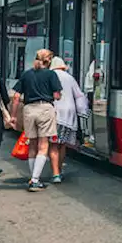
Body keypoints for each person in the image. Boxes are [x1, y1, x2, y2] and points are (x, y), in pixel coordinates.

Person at [13, 49, 63, 192]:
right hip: (45, 109)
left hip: (29, 110)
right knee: (43, 146)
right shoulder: (51, 74)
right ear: (49, 60)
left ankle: (33, 177)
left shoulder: (26, 74)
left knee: (32, 146)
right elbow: (57, 95)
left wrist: (13, 116)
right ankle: (35, 180)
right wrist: (57, 95)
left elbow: (16, 96)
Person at [48, 56, 88, 184]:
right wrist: (83, 113)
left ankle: (55, 174)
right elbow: (79, 96)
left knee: (53, 145)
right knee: (62, 144)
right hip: (68, 116)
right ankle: (59, 170)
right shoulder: (70, 78)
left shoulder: (49, 75)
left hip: (54, 114)